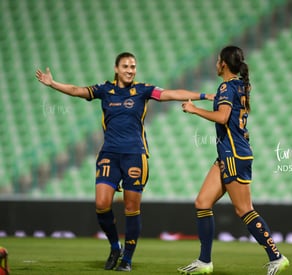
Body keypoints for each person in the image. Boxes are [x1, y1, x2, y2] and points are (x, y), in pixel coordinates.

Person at [35, 52, 213, 272]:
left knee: (131, 207)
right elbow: (76, 90)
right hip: (109, 154)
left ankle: (127, 259)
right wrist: (52, 84)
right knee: (101, 204)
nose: (130, 70)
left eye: (133, 66)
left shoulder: (143, 90)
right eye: (126, 66)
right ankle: (114, 246)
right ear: (117, 68)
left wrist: (203, 95)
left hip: (135, 156)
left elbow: (172, 93)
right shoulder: (104, 89)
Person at [179, 46, 290, 275]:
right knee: (202, 203)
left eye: (218, 60)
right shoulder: (242, 85)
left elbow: (222, 117)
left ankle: (277, 257)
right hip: (228, 153)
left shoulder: (226, 87)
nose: (216, 63)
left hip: (234, 155)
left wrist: (194, 109)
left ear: (224, 64)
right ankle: (204, 262)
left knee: (244, 210)